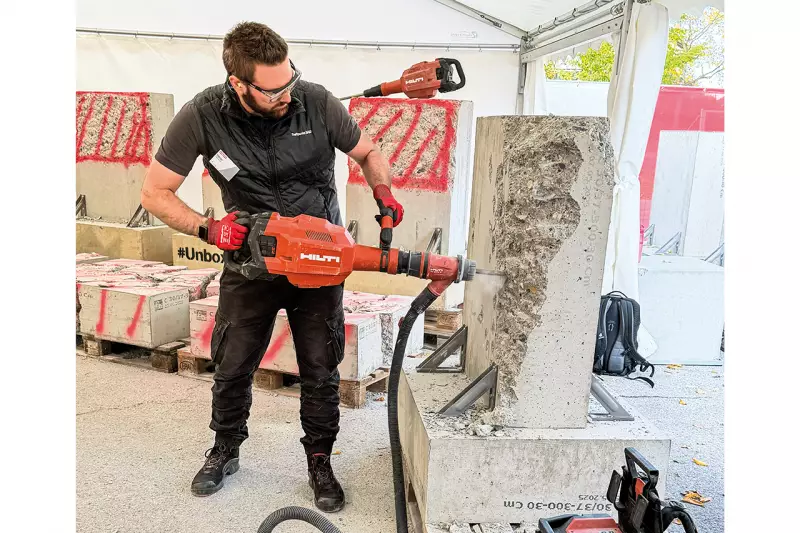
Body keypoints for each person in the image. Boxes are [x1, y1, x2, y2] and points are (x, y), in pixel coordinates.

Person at [140, 21, 404, 512]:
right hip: (250, 266)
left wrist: (382, 188)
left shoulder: (316, 100)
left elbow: (368, 152)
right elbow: (154, 192)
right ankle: (224, 449)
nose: (287, 94)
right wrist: (207, 228)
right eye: (272, 90)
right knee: (233, 365)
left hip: (320, 261)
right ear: (238, 83)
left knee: (320, 367)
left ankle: (321, 459)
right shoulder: (201, 116)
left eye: (289, 81)